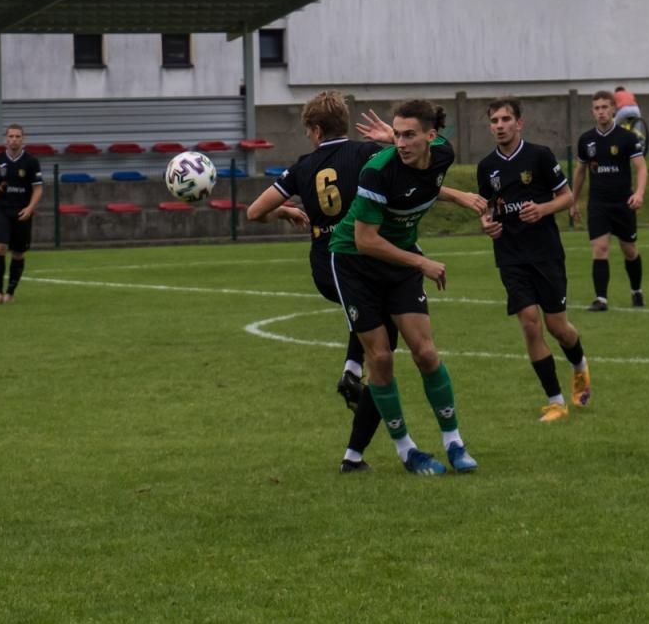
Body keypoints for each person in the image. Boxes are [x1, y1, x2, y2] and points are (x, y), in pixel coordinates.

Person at [327, 99, 487, 476]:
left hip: (397, 263)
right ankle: (407, 451)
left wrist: (458, 194)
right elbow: (366, 240)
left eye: (409, 135)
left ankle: (454, 442)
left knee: (426, 353)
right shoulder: (376, 172)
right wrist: (422, 262)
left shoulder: (442, 155)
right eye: (397, 134)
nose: (401, 142)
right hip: (355, 262)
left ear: (432, 137)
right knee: (380, 358)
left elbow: (424, 182)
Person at [246, 91, 390, 473]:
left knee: (365, 319)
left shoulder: (302, 166)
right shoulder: (364, 154)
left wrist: (288, 212)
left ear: (314, 129)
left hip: (323, 269)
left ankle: (351, 371)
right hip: (358, 262)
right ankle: (365, 429)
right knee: (381, 345)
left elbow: (255, 211)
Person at [475, 97, 591, 423]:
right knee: (529, 322)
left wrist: (542, 209)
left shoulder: (539, 156)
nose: (499, 126)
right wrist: (486, 223)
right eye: (494, 121)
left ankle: (579, 365)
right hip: (510, 255)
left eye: (505, 119)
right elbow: (488, 207)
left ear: (519, 123)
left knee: (558, 327)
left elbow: (567, 196)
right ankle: (555, 401)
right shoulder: (487, 167)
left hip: (545, 252)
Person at [570, 90, 648, 311]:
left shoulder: (627, 138)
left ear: (614, 109)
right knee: (600, 248)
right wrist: (573, 201)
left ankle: (636, 291)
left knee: (629, 250)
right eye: (597, 108)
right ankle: (601, 299)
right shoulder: (586, 140)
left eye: (605, 107)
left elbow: (641, 167)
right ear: (592, 112)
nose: (601, 112)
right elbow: (580, 172)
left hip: (623, 203)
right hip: (598, 204)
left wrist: (639, 193)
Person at [0, 123, 43, 304]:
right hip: (2, 210)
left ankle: (10, 292)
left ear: (23, 139)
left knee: (18, 253)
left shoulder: (31, 161)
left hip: (22, 212)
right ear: (6, 139)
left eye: (17, 136)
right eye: (11, 136)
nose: (14, 139)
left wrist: (30, 208)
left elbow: (37, 189)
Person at [613, 84, 649, 154]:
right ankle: (640, 142)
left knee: (613, 125)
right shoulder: (630, 93)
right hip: (636, 109)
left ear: (616, 91)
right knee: (637, 129)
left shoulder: (615, 94)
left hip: (623, 110)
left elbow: (613, 106)